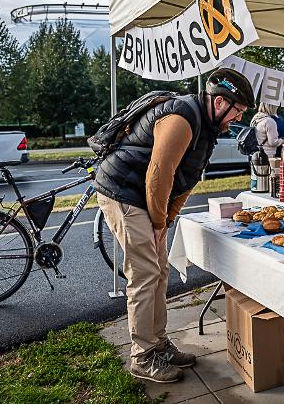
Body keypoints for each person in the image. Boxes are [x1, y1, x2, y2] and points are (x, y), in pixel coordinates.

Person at [94, 68, 255, 383]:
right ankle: (142, 356)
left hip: (144, 197)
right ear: (220, 102)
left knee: (160, 270)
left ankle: (158, 343)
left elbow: (184, 182)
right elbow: (159, 175)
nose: (237, 119)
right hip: (124, 192)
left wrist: (166, 221)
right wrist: (157, 222)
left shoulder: (206, 128)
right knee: (144, 273)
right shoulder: (182, 117)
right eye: (237, 111)